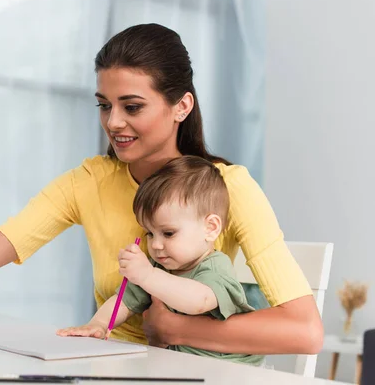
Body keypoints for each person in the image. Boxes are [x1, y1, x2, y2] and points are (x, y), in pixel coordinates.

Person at [0, 23, 323, 355]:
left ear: (181, 106)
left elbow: (304, 332)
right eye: (103, 104)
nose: (114, 123)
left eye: (132, 106)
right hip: (110, 367)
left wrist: (178, 328)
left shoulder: (229, 188)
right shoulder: (89, 181)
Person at [57, 156, 263, 366]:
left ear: (210, 228)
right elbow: (124, 301)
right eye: (150, 233)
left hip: (232, 369)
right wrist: (99, 324)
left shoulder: (216, 266)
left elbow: (198, 301)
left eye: (168, 233)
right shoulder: (157, 267)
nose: (155, 244)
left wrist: (147, 275)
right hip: (183, 367)